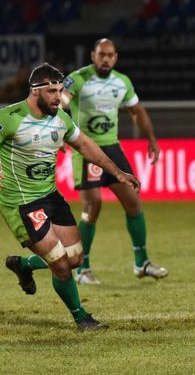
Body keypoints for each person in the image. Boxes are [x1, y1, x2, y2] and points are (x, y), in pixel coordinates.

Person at [1, 63, 140, 330]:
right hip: (22, 203)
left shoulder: (61, 118)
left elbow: (86, 145)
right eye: (52, 91)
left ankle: (24, 265)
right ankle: (81, 317)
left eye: (60, 90)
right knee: (61, 265)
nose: (58, 96)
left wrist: (119, 173)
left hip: (50, 196)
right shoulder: (10, 117)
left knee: (75, 257)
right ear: (35, 91)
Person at [61, 38, 167, 285]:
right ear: (93, 55)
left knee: (133, 202)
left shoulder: (122, 82)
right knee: (93, 207)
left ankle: (142, 262)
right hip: (86, 148)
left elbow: (137, 111)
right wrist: (57, 129)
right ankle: (82, 268)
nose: (105, 59)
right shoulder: (77, 79)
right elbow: (61, 101)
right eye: (101, 54)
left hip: (112, 148)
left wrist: (151, 138)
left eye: (110, 55)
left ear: (115, 58)